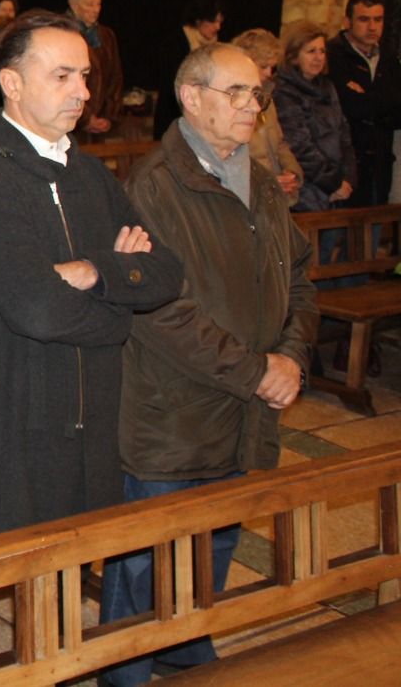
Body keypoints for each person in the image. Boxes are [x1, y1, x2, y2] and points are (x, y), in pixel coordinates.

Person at [0, 10, 183, 671]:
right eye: (63, 74)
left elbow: (166, 273)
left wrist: (98, 270)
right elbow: (37, 310)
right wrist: (120, 309)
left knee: (64, 583)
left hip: (85, 423)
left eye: (86, 76)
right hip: (7, 422)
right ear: (12, 83)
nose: (82, 90)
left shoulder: (91, 177)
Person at [100, 43, 316, 685]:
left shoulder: (259, 183)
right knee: (146, 563)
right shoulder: (154, 187)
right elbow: (161, 310)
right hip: (173, 415)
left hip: (242, 412)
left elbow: (301, 277)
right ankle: (126, 672)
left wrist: (293, 359)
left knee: (216, 544)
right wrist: (257, 371)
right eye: (238, 93)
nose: (254, 106)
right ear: (192, 98)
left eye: (259, 94)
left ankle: (188, 654)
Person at [325, 0, 401, 206]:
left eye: (378, 19)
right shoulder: (332, 55)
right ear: (347, 21)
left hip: (379, 164)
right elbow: (349, 106)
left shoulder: (389, 59)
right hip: (343, 166)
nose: (372, 27)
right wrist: (384, 102)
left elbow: (397, 113)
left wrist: (368, 99)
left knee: (372, 232)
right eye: (364, 19)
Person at [274, 21, 356, 212]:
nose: (318, 57)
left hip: (335, 190)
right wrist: (335, 183)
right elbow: (300, 148)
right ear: (294, 55)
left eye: (322, 51)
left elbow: (344, 135)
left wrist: (348, 178)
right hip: (306, 192)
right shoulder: (284, 92)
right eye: (311, 51)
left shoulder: (327, 86)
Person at [231, 29, 304, 202]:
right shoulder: (231, 104)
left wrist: (291, 173)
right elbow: (231, 157)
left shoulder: (266, 100)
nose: (269, 73)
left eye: (272, 67)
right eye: (263, 66)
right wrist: (267, 183)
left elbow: (279, 144)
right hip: (246, 198)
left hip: (273, 198)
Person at [154, 0, 224, 138]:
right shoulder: (174, 44)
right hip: (174, 118)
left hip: (204, 121)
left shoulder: (217, 48)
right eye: (213, 21)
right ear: (199, 20)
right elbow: (172, 85)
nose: (218, 27)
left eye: (220, 22)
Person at [66, 0, 122, 139]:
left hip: (100, 127)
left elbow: (115, 79)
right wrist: (85, 118)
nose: (96, 9)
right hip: (70, 126)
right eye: (89, 4)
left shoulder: (107, 35)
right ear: (74, 5)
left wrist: (109, 117)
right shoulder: (62, 33)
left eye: (98, 4)